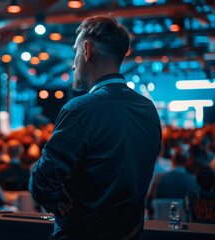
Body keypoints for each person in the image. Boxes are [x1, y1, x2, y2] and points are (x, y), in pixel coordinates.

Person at [29, 15, 162, 240]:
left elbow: (42, 183)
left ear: (87, 50)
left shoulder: (79, 109)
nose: (73, 63)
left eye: (75, 51)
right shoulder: (147, 109)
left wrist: (58, 202)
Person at [146, 147, 200, 219]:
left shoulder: (158, 177)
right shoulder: (192, 180)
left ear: (172, 161)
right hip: (183, 223)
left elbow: (148, 202)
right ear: (186, 162)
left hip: (158, 221)